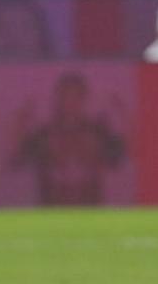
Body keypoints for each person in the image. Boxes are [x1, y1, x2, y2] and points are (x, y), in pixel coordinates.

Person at [10, 72, 126, 205]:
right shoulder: (44, 134)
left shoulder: (97, 132)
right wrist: (20, 122)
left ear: (83, 98)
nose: (70, 101)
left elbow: (120, 157)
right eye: (65, 96)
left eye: (75, 96)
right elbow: (17, 159)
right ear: (57, 99)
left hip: (90, 213)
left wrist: (123, 114)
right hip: (52, 213)